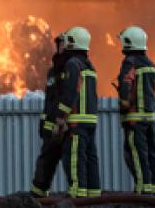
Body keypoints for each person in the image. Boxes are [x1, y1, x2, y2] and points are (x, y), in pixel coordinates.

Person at [54, 26, 101, 198]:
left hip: (76, 122)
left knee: (75, 158)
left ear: (72, 43)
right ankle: (93, 194)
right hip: (90, 121)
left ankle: (77, 195)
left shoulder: (72, 65)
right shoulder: (90, 66)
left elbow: (70, 92)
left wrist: (60, 117)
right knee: (90, 157)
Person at [115, 25, 155, 194]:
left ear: (128, 42)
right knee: (150, 153)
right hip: (149, 117)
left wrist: (124, 100)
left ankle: (142, 189)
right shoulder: (151, 64)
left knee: (136, 154)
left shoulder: (130, 62)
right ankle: (152, 187)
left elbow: (126, 81)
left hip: (134, 119)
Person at [30, 33, 67, 197]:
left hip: (66, 125)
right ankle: (38, 195)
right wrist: (44, 121)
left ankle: (78, 196)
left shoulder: (73, 68)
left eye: (64, 44)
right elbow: (49, 99)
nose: (61, 48)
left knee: (71, 162)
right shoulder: (53, 72)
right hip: (50, 125)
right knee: (45, 161)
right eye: (59, 45)